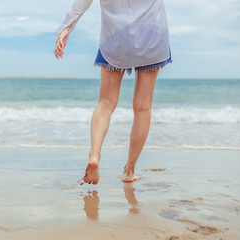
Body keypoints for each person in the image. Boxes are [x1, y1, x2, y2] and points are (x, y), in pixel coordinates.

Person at [54, 0, 172, 184]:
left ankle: (94, 155)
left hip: (116, 39)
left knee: (106, 103)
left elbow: (82, 3)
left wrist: (66, 28)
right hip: (152, 37)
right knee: (142, 107)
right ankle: (129, 170)